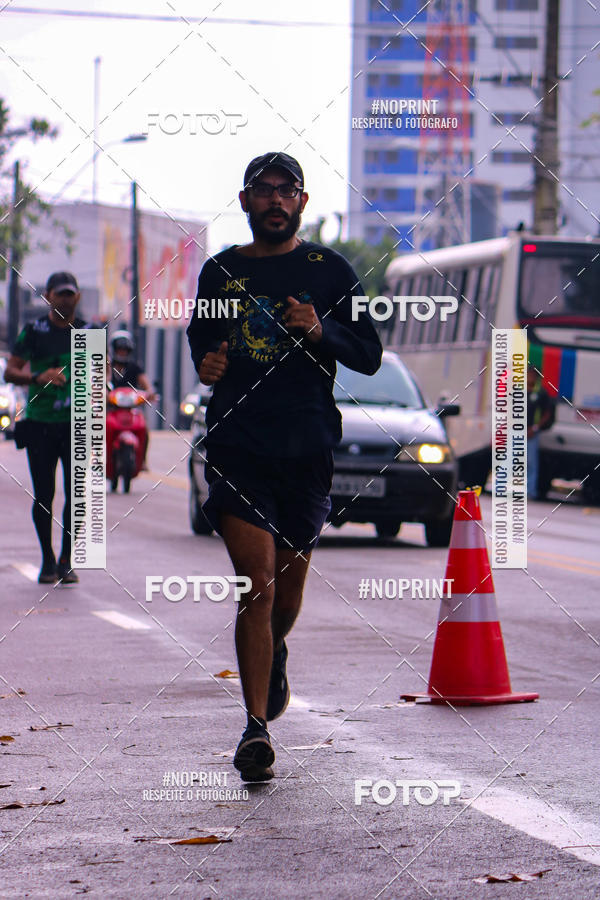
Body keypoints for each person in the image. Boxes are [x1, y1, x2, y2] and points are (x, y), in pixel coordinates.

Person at [186, 152, 383, 782]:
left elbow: (371, 356)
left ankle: (275, 655)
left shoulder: (329, 271)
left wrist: (322, 330)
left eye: (286, 190)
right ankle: (255, 729)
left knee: (285, 594)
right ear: (244, 201)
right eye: (263, 190)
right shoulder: (220, 272)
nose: (274, 200)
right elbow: (201, 337)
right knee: (257, 582)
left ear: (301, 201)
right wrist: (207, 364)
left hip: (307, 448)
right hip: (238, 444)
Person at [5, 272, 89, 584]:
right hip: (40, 424)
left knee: (77, 495)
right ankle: (48, 560)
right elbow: (11, 371)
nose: (65, 299)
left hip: (77, 425)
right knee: (44, 494)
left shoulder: (89, 331)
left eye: (70, 294)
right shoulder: (34, 332)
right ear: (48, 296)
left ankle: (67, 559)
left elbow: (101, 376)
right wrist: (37, 377)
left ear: (78, 297)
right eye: (60, 294)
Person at [107, 330, 156, 468]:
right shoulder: (107, 366)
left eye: (125, 350)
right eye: (120, 350)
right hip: (110, 409)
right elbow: (98, 381)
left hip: (131, 409)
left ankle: (143, 460)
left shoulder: (134, 367)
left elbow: (146, 384)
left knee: (144, 429)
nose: (122, 353)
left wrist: (150, 392)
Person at [527, 364, 555, 499]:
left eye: (533, 375)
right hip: (515, 430)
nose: (530, 377)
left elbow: (547, 414)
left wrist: (535, 427)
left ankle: (530, 491)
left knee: (531, 463)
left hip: (532, 432)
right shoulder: (518, 390)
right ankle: (501, 488)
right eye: (528, 374)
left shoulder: (541, 393)